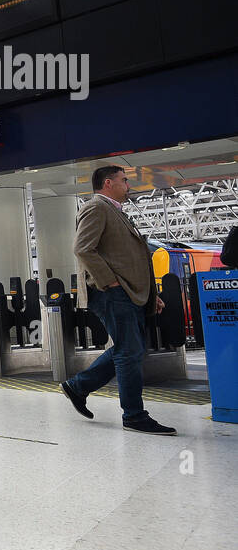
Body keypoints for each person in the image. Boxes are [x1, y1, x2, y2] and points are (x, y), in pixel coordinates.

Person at [60, 166, 175, 435]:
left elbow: (131, 258)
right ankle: (134, 415)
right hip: (113, 293)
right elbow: (82, 248)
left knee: (128, 349)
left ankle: (78, 387)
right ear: (108, 183)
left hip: (129, 292)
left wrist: (151, 295)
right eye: (124, 180)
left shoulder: (115, 211)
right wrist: (109, 282)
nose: (128, 185)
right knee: (129, 351)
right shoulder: (97, 207)